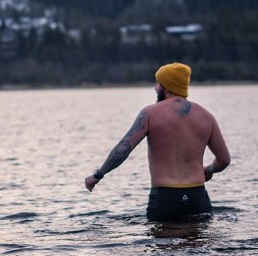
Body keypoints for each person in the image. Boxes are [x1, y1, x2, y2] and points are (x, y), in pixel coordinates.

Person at [84, 62, 231, 221]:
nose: (155, 88)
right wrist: (208, 170)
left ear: (167, 87)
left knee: (162, 244)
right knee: (198, 244)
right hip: (197, 197)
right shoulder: (206, 116)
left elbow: (124, 149)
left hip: (164, 198)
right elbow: (224, 160)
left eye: (158, 84)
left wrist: (98, 175)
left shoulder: (150, 113)